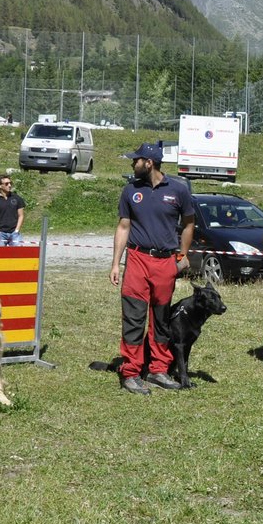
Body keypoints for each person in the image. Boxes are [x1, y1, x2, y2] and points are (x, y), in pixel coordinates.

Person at [109, 142, 196, 395]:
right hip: (136, 260)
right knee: (134, 319)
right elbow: (123, 227)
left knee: (161, 320)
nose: (132, 163)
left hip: (164, 264)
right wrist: (116, 263)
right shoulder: (130, 190)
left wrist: (182, 253)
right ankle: (131, 373)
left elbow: (189, 224)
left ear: (149, 163)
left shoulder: (179, 191)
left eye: (136, 160)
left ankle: (158, 369)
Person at [0, 174, 28, 246]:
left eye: (10, 183)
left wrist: (17, 230)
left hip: (14, 232)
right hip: (0, 233)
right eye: (6, 184)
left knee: (18, 255)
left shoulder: (17, 198)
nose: (9, 185)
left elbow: (21, 215)